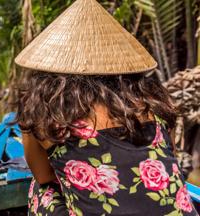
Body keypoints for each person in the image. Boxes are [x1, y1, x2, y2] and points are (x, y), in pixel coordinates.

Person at [12, 0, 199, 215]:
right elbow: (167, 158)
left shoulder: (46, 111)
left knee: (42, 190)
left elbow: (44, 176)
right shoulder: (155, 104)